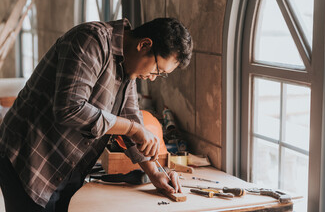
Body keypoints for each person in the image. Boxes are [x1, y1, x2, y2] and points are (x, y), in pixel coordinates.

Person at [0, 17, 193, 211]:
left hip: (68, 164)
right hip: (31, 156)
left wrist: (155, 173)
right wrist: (132, 129)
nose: (153, 78)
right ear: (144, 45)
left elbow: (130, 116)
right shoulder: (90, 40)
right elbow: (70, 108)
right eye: (157, 70)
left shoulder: (128, 67)